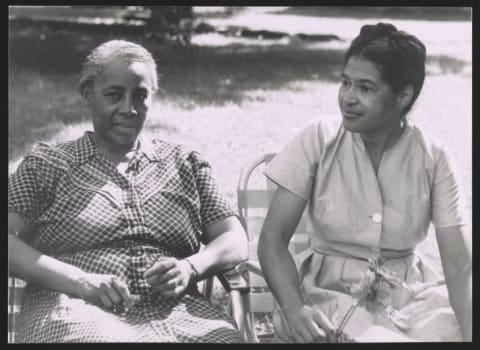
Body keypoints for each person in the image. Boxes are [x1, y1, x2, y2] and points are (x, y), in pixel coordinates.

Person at [8, 39, 248, 343]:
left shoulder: (183, 163)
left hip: (179, 312)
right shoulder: (48, 165)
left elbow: (235, 239)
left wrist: (190, 267)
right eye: (114, 95)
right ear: (87, 94)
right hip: (74, 309)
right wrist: (81, 281)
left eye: (140, 96)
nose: (128, 109)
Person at [257, 23, 471, 342]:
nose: (348, 98)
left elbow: (458, 264)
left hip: (410, 296)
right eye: (346, 83)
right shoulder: (319, 139)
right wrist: (294, 308)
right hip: (325, 294)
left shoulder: (433, 157)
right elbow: (272, 240)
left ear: (403, 96)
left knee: (450, 332)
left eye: (365, 88)